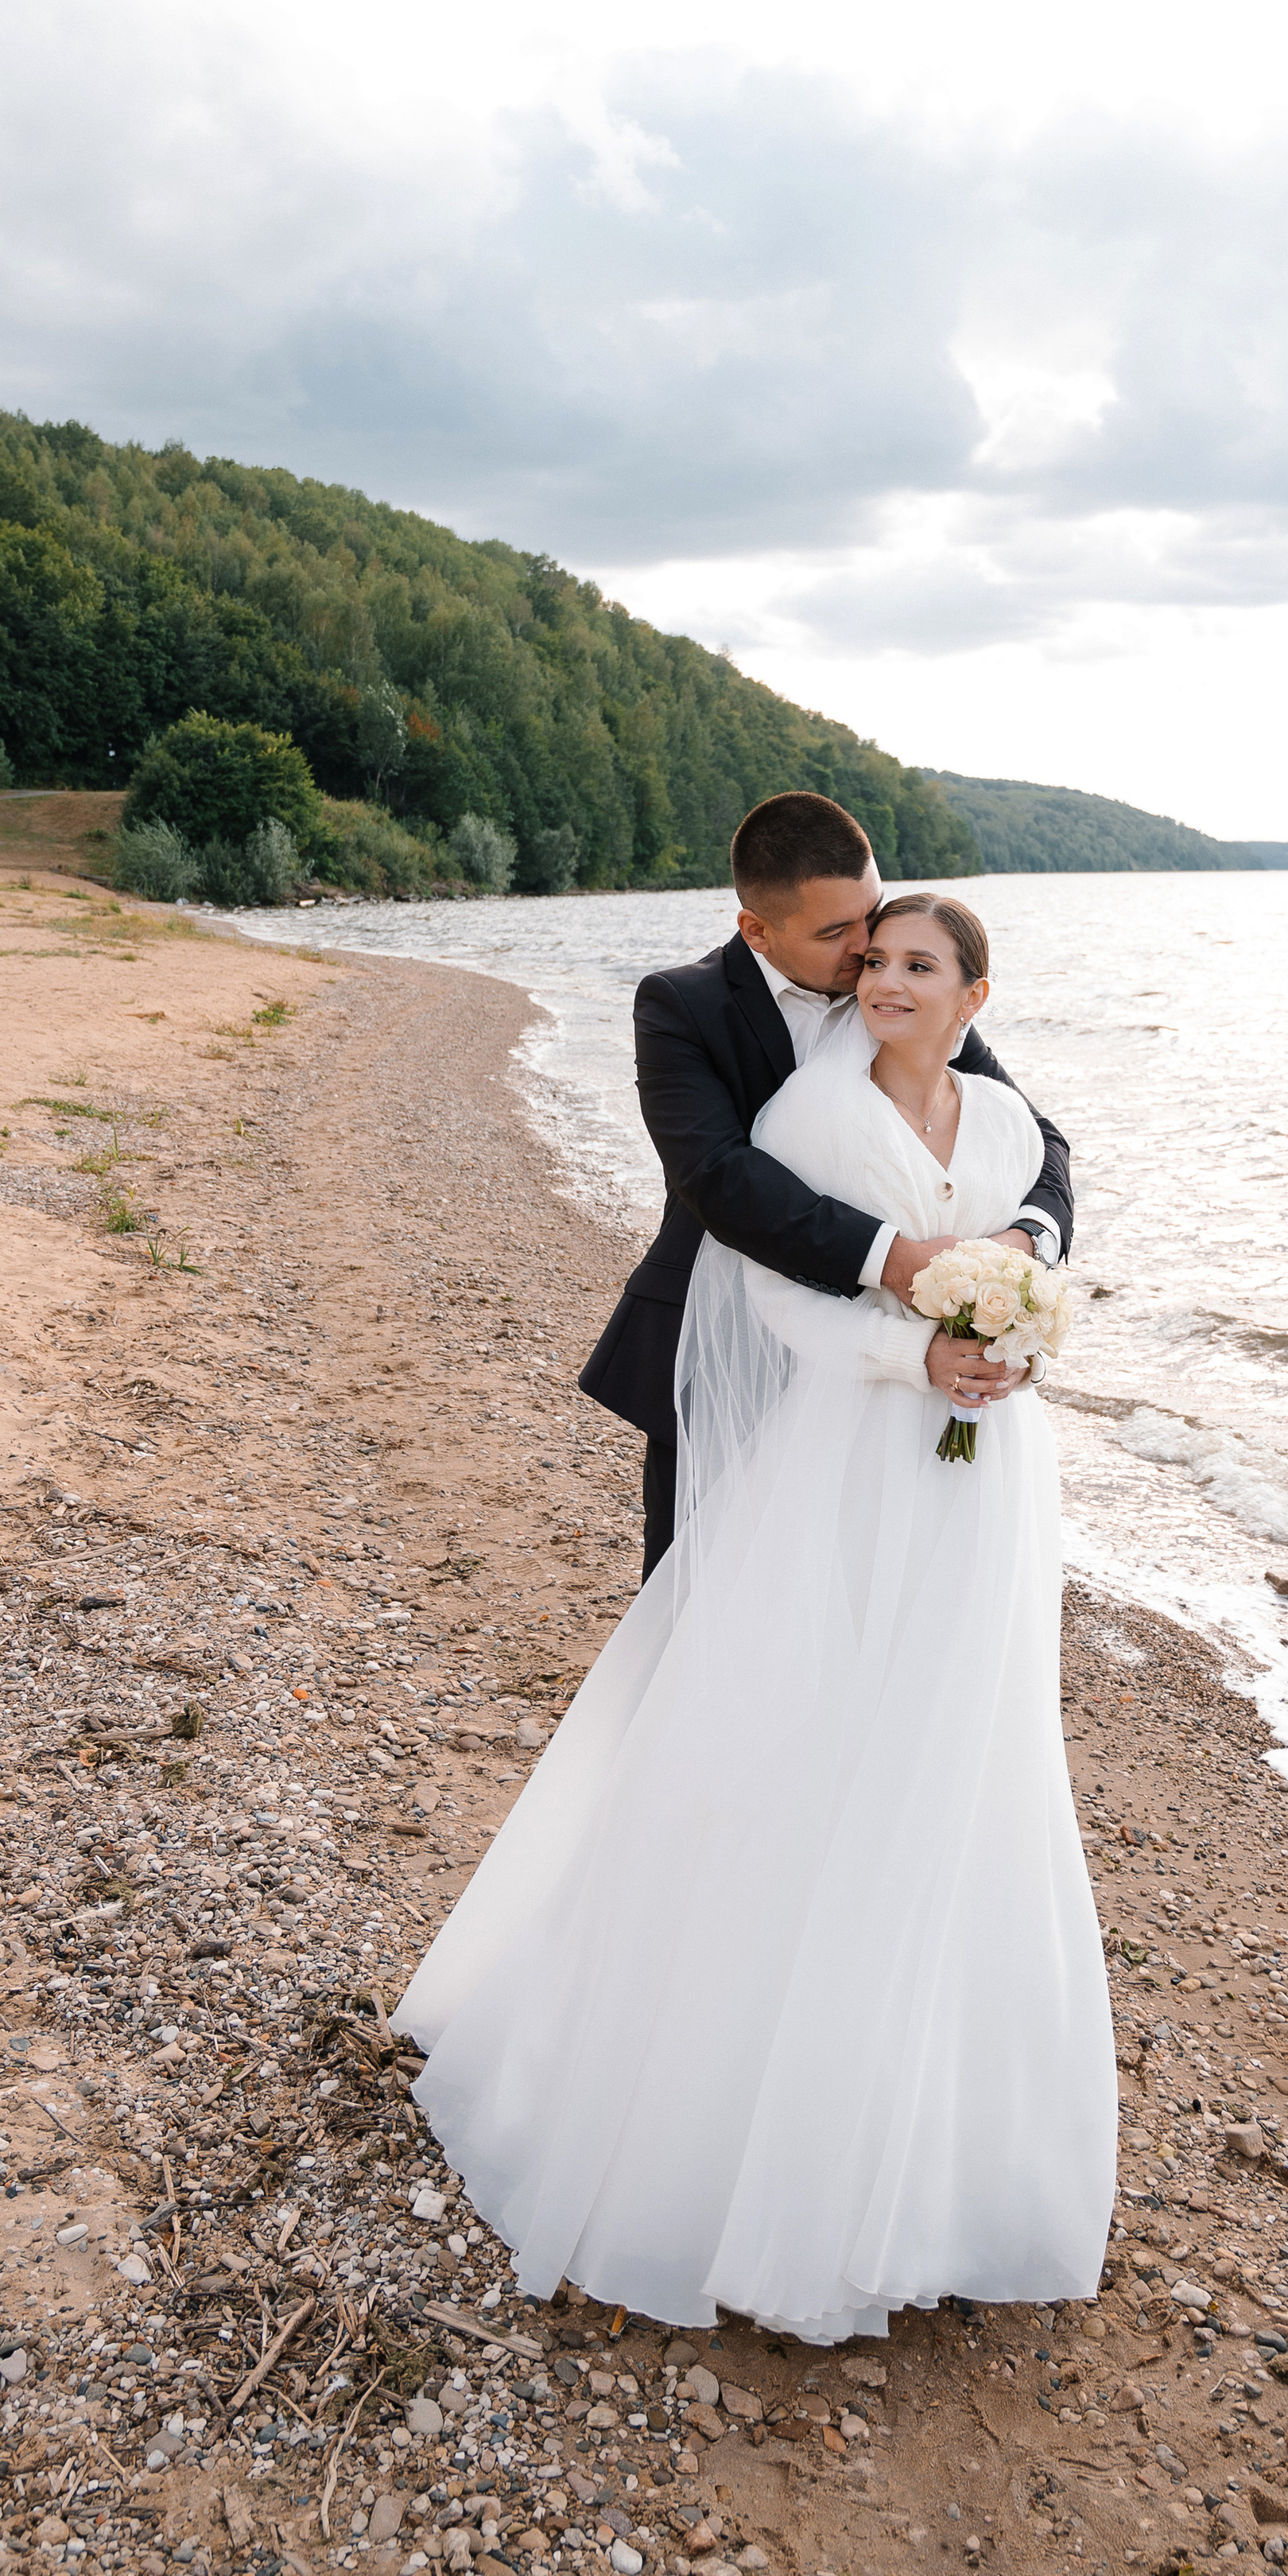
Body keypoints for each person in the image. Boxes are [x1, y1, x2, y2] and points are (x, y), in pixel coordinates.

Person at [394, 889, 1114, 2341]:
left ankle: (939, 2147)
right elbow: (757, 1261)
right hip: (845, 1453)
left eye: (913, 961)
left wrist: (1017, 1310)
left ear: (973, 993)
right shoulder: (796, 1097)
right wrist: (917, 1351)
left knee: (954, 1749)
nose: (878, 974)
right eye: (869, 953)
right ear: (781, 925)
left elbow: (1045, 1186)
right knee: (794, 1728)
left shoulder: (1000, 1111)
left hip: (985, 1485)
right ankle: (729, 2118)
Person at [579, 790, 1074, 1574]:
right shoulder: (681, 1004)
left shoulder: (895, 994)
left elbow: (1033, 1137)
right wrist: (898, 1260)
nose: (867, 946)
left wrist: (1021, 1248)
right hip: (724, 1336)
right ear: (758, 931)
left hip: (881, 1371)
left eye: (869, 914)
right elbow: (718, 1177)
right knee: (695, 1584)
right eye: (835, 931)